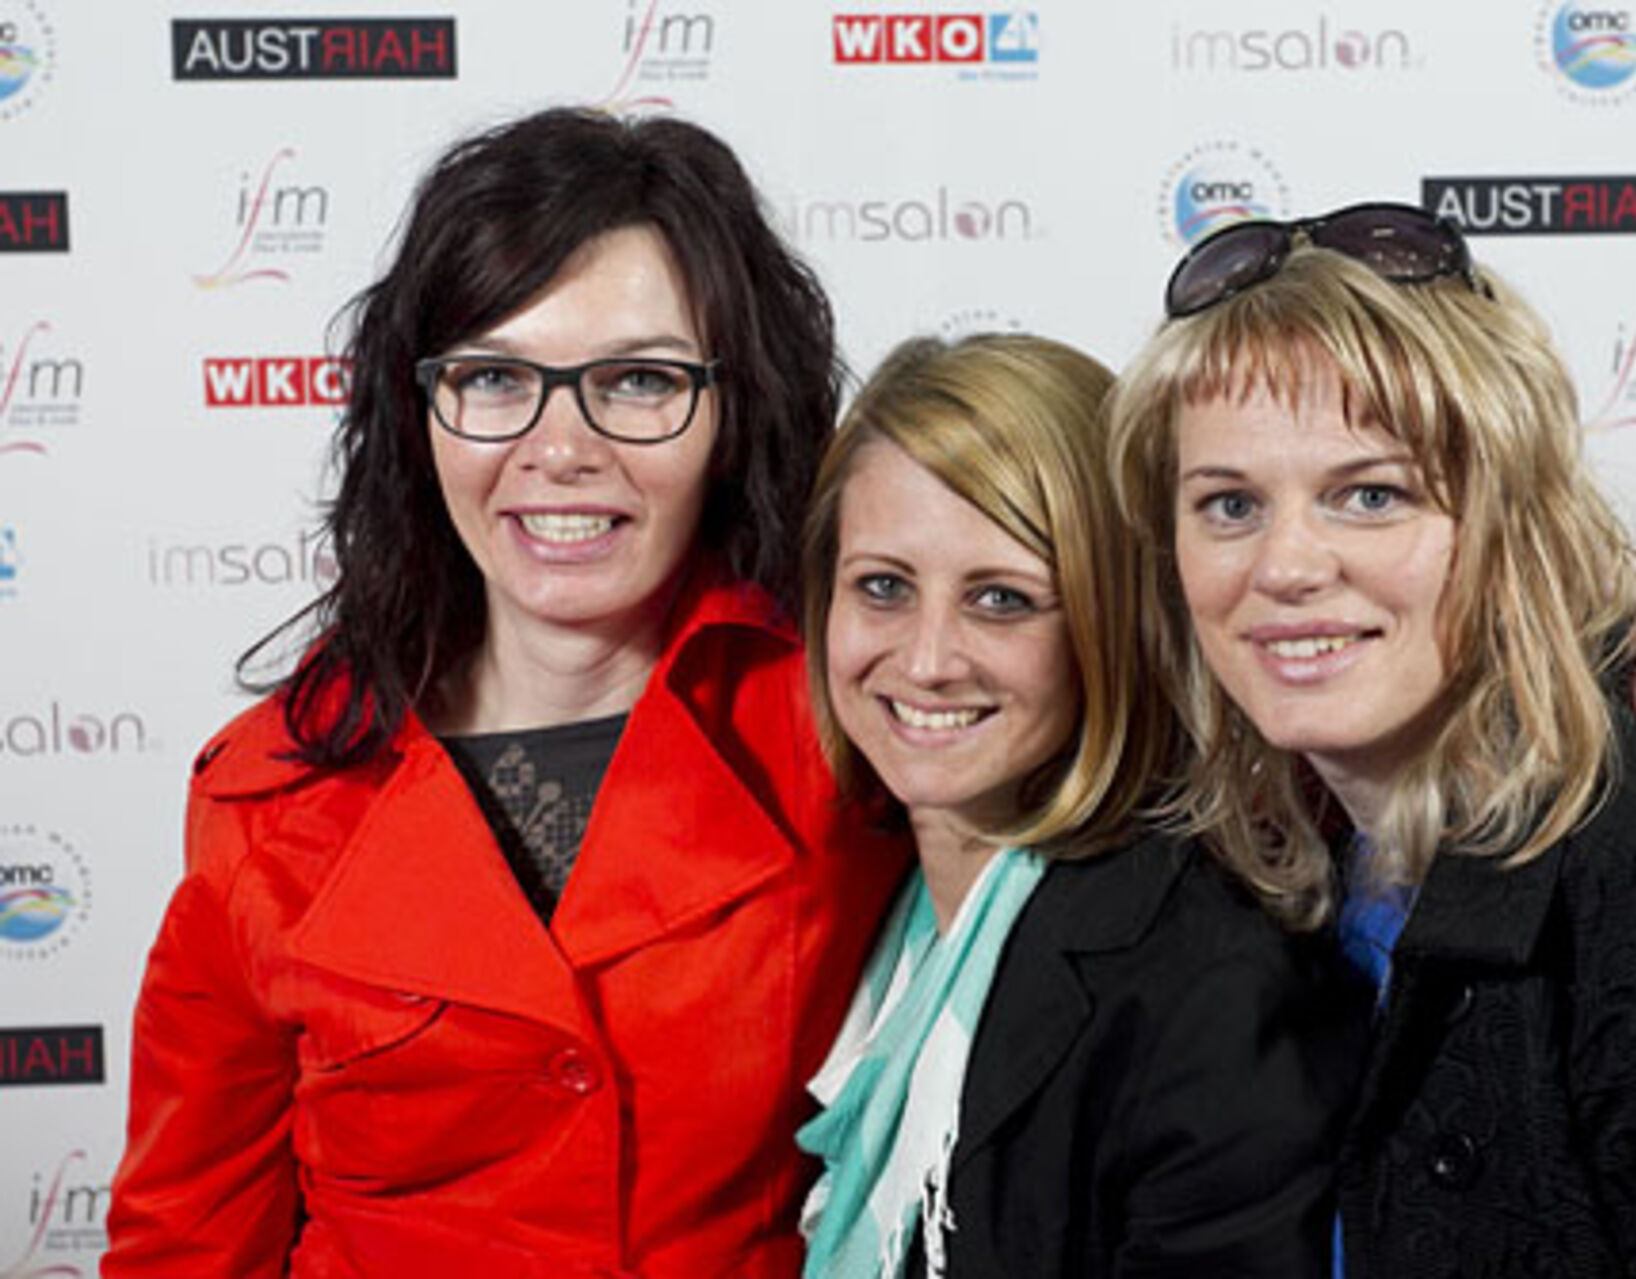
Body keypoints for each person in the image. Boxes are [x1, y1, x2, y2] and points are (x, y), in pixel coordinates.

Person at [104, 108, 906, 1277]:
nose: (562, 447)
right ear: (417, 410)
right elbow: (185, 1242)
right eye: (493, 377)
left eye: (639, 380)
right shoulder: (265, 794)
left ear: (735, 410)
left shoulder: (854, 725)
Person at [1108, 203, 1636, 1277]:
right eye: (1228, 505)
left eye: (1370, 495)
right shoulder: (1312, 859)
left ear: (1508, 525)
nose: (1285, 565)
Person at [793, 334, 1372, 1278]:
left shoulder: (1211, 986)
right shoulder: (871, 914)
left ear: (1117, 616)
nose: (927, 659)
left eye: (1001, 599)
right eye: (883, 587)